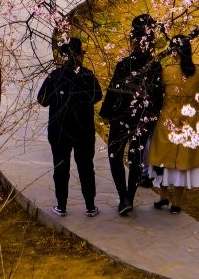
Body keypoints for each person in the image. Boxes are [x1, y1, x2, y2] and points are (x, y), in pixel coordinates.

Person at [101, 14, 166, 217]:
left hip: (121, 117)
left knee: (115, 156)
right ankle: (129, 194)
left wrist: (106, 113)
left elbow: (113, 91)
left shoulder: (124, 64)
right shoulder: (155, 66)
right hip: (142, 119)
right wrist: (152, 116)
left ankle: (124, 197)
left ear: (134, 41)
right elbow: (157, 97)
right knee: (135, 158)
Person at [36, 36, 102, 216]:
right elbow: (97, 96)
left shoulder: (55, 76)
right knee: (86, 167)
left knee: (61, 167)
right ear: (79, 55)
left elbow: (42, 99)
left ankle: (61, 206)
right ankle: (90, 206)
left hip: (60, 129)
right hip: (84, 130)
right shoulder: (88, 75)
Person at [146, 35, 199, 208]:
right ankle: (176, 201)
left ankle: (162, 195)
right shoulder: (198, 72)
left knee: (163, 159)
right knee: (183, 162)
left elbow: (158, 91)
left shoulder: (166, 71)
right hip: (189, 121)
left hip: (167, 118)